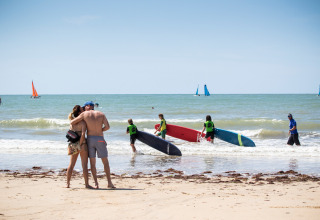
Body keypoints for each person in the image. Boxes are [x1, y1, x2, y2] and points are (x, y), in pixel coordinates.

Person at [71, 101, 115, 189]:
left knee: (92, 163)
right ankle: (109, 183)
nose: (84, 109)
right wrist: (100, 130)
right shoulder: (101, 114)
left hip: (90, 139)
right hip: (100, 139)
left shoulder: (85, 114)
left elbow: (72, 122)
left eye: (85, 107)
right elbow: (107, 127)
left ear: (89, 106)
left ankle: (96, 183)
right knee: (105, 162)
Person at [66, 105, 92, 188]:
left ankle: (68, 184)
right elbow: (83, 134)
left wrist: (76, 145)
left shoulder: (72, 122)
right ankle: (86, 184)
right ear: (80, 113)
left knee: (71, 164)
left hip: (73, 144)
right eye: (82, 110)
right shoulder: (83, 122)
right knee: (84, 165)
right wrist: (80, 144)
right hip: (82, 145)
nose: (84, 110)